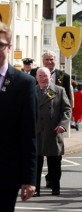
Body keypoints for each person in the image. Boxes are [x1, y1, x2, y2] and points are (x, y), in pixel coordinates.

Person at [0, 22, 37, 211]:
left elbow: (29, 132)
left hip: (6, 173)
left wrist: (29, 179)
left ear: (9, 46)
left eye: (0, 44)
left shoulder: (24, 83)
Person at [35, 67, 71, 196]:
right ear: (36, 78)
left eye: (45, 76)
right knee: (36, 163)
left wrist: (63, 125)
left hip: (54, 131)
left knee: (54, 163)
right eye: (41, 76)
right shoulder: (32, 91)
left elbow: (67, 109)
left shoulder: (58, 90)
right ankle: (35, 189)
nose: (44, 78)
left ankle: (55, 187)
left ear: (50, 77)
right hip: (37, 132)